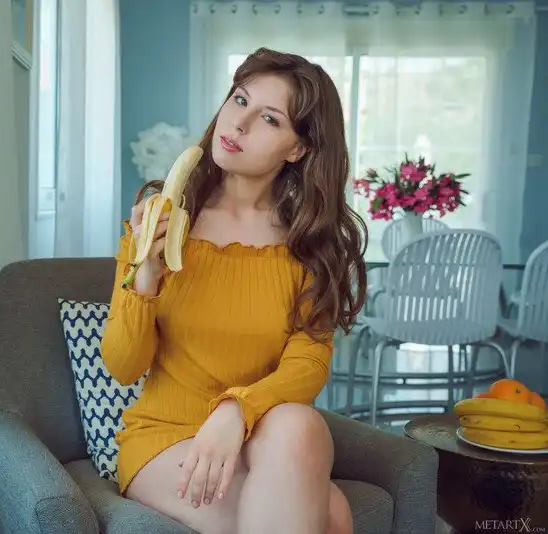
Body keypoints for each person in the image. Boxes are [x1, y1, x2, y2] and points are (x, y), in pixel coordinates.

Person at [100, 47, 367, 534]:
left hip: (259, 433)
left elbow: (307, 365)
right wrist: (146, 272)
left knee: (299, 422)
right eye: (239, 100)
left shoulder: (310, 245)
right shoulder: (161, 220)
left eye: (269, 118)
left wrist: (235, 409)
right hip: (164, 439)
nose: (238, 124)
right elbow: (123, 366)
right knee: (332, 514)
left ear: (297, 149)